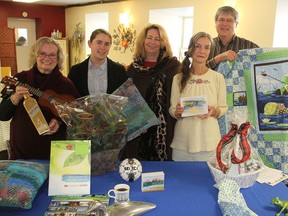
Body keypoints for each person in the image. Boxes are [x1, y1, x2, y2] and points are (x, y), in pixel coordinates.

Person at [0, 37, 79, 160]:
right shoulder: (19, 79)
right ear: (35, 55)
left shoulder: (66, 84)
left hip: (53, 150)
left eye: (52, 55)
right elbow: (2, 115)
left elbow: (75, 116)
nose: (47, 58)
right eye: (42, 54)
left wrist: (58, 121)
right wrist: (15, 97)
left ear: (58, 59)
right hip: (23, 150)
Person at [121, 23, 181, 161]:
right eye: (149, 38)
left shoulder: (173, 67)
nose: (152, 42)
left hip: (164, 131)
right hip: (138, 131)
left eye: (157, 39)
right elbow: (126, 101)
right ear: (143, 40)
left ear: (163, 43)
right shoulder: (133, 69)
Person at [169, 32, 228, 161]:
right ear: (191, 50)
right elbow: (172, 109)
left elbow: (223, 107)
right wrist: (177, 112)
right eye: (198, 46)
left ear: (210, 51)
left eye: (206, 47)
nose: (202, 51)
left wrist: (213, 111)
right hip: (182, 143)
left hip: (209, 143)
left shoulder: (217, 78)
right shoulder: (178, 78)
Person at [68, 28, 128, 96]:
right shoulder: (76, 71)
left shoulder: (119, 71)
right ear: (89, 43)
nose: (102, 47)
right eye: (99, 42)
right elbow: (70, 99)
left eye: (106, 44)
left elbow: (126, 98)